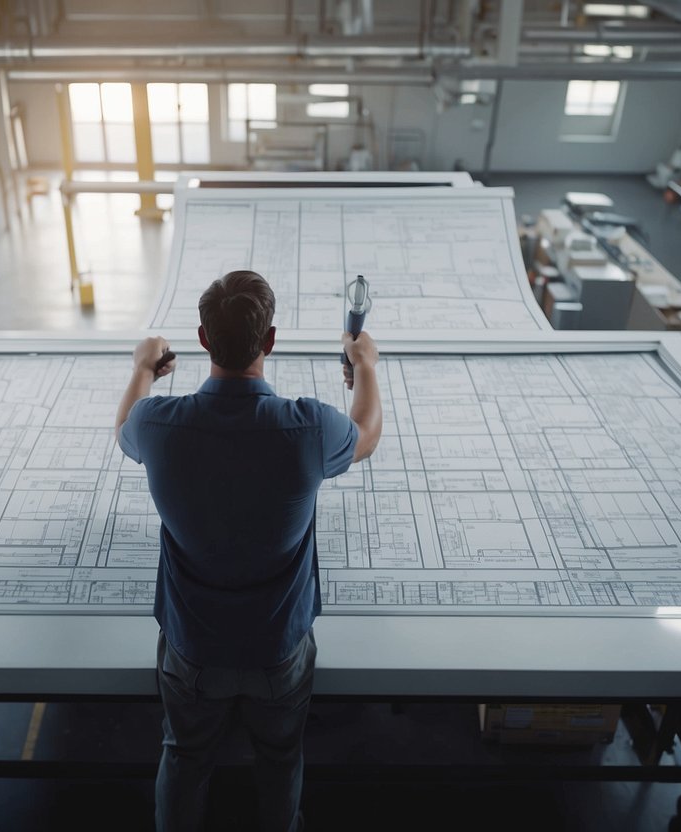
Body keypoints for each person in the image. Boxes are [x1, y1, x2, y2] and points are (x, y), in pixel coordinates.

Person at [114, 270, 382, 832]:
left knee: (186, 758)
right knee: (280, 759)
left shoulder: (158, 423)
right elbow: (366, 432)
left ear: (203, 339)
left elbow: (123, 428)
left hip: (192, 650)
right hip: (277, 649)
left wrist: (143, 367)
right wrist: (365, 367)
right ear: (271, 340)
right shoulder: (307, 427)